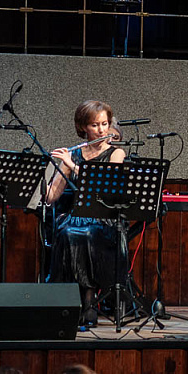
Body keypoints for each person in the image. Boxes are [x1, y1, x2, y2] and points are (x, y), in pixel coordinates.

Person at [45, 100, 126, 328]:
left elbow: (104, 188)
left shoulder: (116, 153)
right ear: (83, 127)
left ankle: (89, 302)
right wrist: (54, 170)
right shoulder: (73, 154)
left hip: (104, 219)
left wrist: (73, 166)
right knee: (68, 232)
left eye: (104, 124)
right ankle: (70, 303)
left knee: (86, 233)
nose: (101, 130)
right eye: (94, 125)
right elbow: (51, 197)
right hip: (75, 216)